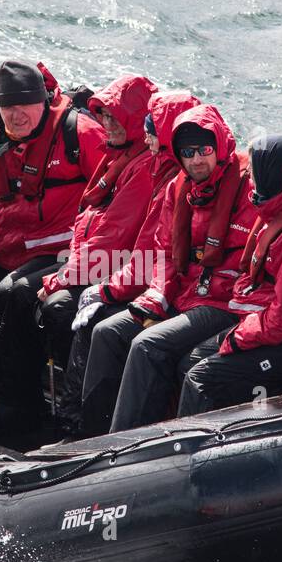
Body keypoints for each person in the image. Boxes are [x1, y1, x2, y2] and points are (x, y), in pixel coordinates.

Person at [0, 73, 157, 419]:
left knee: (54, 306)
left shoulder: (141, 165)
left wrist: (61, 278)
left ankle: (70, 415)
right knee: (13, 292)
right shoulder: (116, 153)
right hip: (98, 259)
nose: (108, 123)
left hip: (125, 265)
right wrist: (67, 268)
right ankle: (18, 402)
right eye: (104, 115)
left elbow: (113, 239)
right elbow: (86, 219)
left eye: (116, 116)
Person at [0, 60, 107, 436]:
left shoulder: (78, 133)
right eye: (8, 109)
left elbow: (113, 199)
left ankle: (17, 406)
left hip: (62, 247)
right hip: (11, 243)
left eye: (24, 107)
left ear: (44, 102)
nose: (16, 116)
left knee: (15, 293)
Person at [80, 104, 259, 434]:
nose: (197, 159)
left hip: (221, 303)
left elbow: (253, 262)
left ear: (219, 145)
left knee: (147, 345)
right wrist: (156, 299)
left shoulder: (248, 189)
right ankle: (87, 437)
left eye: (205, 149)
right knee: (107, 332)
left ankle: (123, 448)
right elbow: (163, 253)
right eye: (188, 152)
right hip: (183, 294)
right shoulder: (178, 189)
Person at [57, 90, 198, 432]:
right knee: (94, 320)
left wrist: (104, 289)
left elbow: (147, 253)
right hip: (165, 287)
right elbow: (154, 249)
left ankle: (93, 432)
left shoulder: (173, 179)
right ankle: (76, 423)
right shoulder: (165, 176)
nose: (148, 138)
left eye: (154, 131)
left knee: (106, 329)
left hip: (188, 295)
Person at [178, 136, 282, 415]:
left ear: (270, 174)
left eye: (254, 172)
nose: (249, 178)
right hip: (278, 322)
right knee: (190, 362)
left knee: (201, 379)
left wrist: (240, 336)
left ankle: (191, 454)